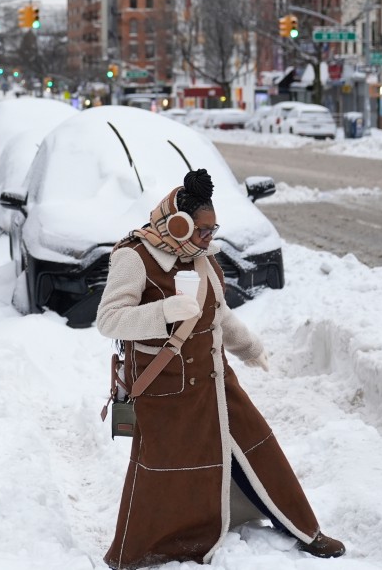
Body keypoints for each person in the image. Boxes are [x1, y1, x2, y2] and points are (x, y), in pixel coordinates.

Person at [96, 168, 346, 568]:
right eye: (201, 230)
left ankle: (301, 528)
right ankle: (157, 546)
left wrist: (250, 347)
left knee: (257, 449)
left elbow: (219, 317)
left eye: (213, 230)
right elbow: (109, 320)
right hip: (165, 390)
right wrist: (162, 313)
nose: (209, 239)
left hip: (216, 381)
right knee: (168, 473)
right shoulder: (135, 257)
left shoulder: (202, 261)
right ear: (177, 225)